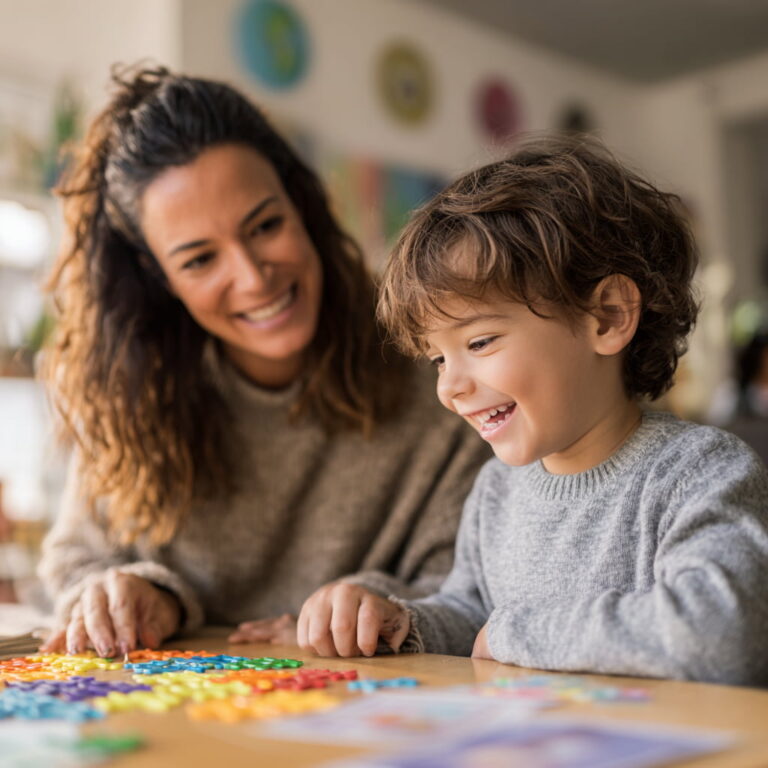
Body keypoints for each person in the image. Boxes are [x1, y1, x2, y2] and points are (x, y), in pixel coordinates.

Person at [37, 65, 489, 658]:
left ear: (303, 207)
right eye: (200, 260)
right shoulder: (129, 389)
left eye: (266, 225)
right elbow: (75, 560)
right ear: (159, 278)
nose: (253, 279)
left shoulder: (435, 360)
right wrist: (139, 594)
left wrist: (376, 604)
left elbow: (467, 582)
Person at [296, 134, 768, 685]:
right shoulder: (496, 488)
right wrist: (399, 620)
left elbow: (718, 635)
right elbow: (475, 614)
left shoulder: (699, 472)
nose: (450, 388)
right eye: (436, 361)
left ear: (608, 317)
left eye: (479, 344)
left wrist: (516, 635)